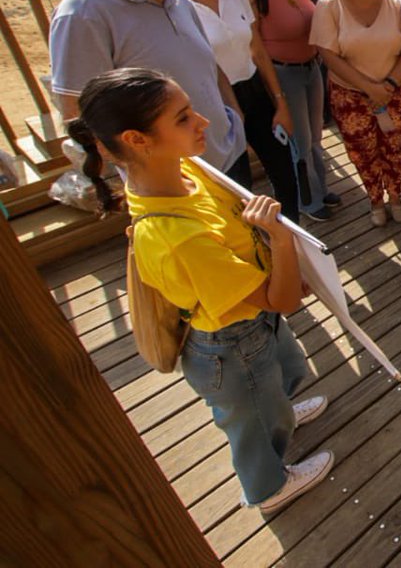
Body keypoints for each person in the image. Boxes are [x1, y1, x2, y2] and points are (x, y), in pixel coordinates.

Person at [68, 67, 332, 514]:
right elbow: (282, 300)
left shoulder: (182, 171)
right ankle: (268, 487)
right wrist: (282, 243)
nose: (204, 122)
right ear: (137, 139)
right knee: (248, 419)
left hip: (249, 318)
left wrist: (274, 262)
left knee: (271, 388)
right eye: (184, 117)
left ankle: (280, 412)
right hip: (231, 345)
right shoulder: (177, 236)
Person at [48, 0, 247, 175]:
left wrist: (235, 119)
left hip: (226, 154)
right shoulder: (84, 13)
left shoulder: (179, 0)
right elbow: (77, 112)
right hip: (174, 181)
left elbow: (210, 67)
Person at [177, 0, 301, 222]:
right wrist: (230, 114)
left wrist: (280, 102)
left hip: (255, 89)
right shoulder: (176, 7)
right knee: (237, 183)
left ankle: (292, 234)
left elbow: (257, 50)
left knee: (284, 172)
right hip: (215, 102)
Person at [310, 0, 401, 226]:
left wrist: (389, 84)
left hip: (394, 91)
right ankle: (375, 200)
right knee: (362, 152)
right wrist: (370, 88)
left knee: (394, 149)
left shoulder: (395, 5)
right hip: (350, 95)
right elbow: (328, 54)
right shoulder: (328, 6)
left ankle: (395, 196)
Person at [240, 0, 338, 222]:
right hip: (285, 74)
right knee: (300, 140)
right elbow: (256, 50)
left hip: (311, 69)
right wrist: (277, 94)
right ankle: (307, 200)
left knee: (315, 137)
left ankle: (320, 188)